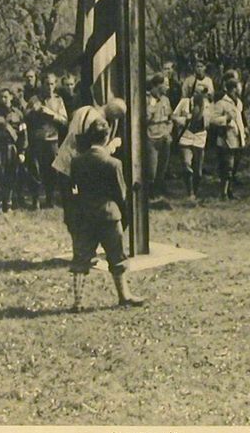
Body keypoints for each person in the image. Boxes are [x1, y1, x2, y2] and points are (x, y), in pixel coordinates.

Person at [67, 115, 146, 312]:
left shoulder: (77, 162)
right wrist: (123, 216)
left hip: (85, 215)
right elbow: (121, 193)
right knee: (117, 257)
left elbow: (73, 190)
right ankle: (124, 295)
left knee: (81, 258)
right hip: (109, 215)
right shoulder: (113, 164)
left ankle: (78, 301)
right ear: (106, 137)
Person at [24, 73, 68, 209]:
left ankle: (49, 199)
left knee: (51, 169)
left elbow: (64, 120)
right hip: (36, 140)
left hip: (52, 139)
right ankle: (35, 199)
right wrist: (33, 111)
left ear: (55, 85)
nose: (49, 87)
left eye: (52, 84)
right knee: (35, 169)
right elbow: (24, 117)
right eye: (47, 84)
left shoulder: (58, 100)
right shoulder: (34, 99)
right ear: (41, 84)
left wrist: (52, 113)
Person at [0, 87, 27, 213]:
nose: (3, 100)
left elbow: (23, 134)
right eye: (1, 97)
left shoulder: (18, 114)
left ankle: (8, 202)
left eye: (6, 97)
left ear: (11, 97)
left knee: (11, 175)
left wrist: (22, 151)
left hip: (11, 148)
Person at [210, 76, 248, 200]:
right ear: (233, 89)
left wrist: (244, 132)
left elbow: (241, 119)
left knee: (235, 166)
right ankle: (224, 192)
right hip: (226, 139)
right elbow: (213, 119)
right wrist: (226, 119)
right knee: (227, 166)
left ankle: (230, 190)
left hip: (238, 139)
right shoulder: (221, 103)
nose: (240, 89)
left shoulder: (239, 102)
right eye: (239, 87)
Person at [171, 82, 211, 199]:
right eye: (198, 92)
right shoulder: (185, 102)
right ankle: (190, 192)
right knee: (187, 164)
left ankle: (196, 190)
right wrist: (183, 119)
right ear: (194, 93)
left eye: (203, 93)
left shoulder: (207, 105)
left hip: (200, 138)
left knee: (198, 170)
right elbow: (173, 116)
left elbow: (209, 122)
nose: (201, 95)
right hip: (186, 136)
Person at [144, 72, 174, 200]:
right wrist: (151, 105)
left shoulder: (165, 100)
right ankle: (150, 194)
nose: (167, 87)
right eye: (165, 84)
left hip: (165, 137)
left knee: (162, 168)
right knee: (152, 169)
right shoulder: (146, 99)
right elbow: (145, 119)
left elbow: (170, 117)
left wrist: (169, 132)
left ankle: (158, 192)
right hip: (152, 138)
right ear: (158, 85)